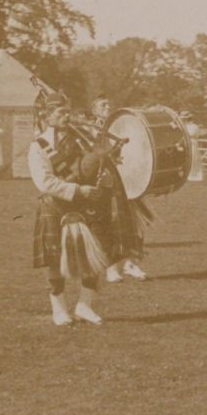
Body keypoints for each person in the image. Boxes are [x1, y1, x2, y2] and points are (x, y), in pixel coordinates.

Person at [29, 91, 112, 326]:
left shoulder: (82, 138)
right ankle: (59, 310)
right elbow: (45, 182)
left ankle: (85, 306)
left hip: (85, 206)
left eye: (67, 111)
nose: (66, 116)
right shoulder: (39, 146)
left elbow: (96, 162)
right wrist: (78, 190)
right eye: (61, 112)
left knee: (96, 255)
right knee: (55, 260)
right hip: (55, 206)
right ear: (47, 116)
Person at [90, 94, 150, 283]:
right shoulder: (90, 130)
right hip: (107, 183)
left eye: (108, 103)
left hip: (128, 181)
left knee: (135, 224)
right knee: (111, 225)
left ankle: (131, 264)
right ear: (95, 110)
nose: (108, 106)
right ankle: (111, 268)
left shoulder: (121, 127)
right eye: (103, 104)